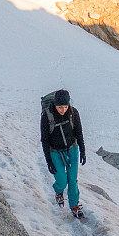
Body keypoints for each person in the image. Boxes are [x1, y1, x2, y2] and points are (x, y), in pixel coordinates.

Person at [41, 89, 86, 219]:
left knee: (72, 179)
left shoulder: (73, 113)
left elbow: (79, 132)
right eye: (60, 107)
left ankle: (74, 206)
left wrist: (82, 151)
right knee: (61, 179)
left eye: (66, 106)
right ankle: (58, 190)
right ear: (55, 104)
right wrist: (49, 161)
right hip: (55, 151)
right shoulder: (47, 116)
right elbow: (44, 140)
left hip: (72, 148)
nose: (63, 110)